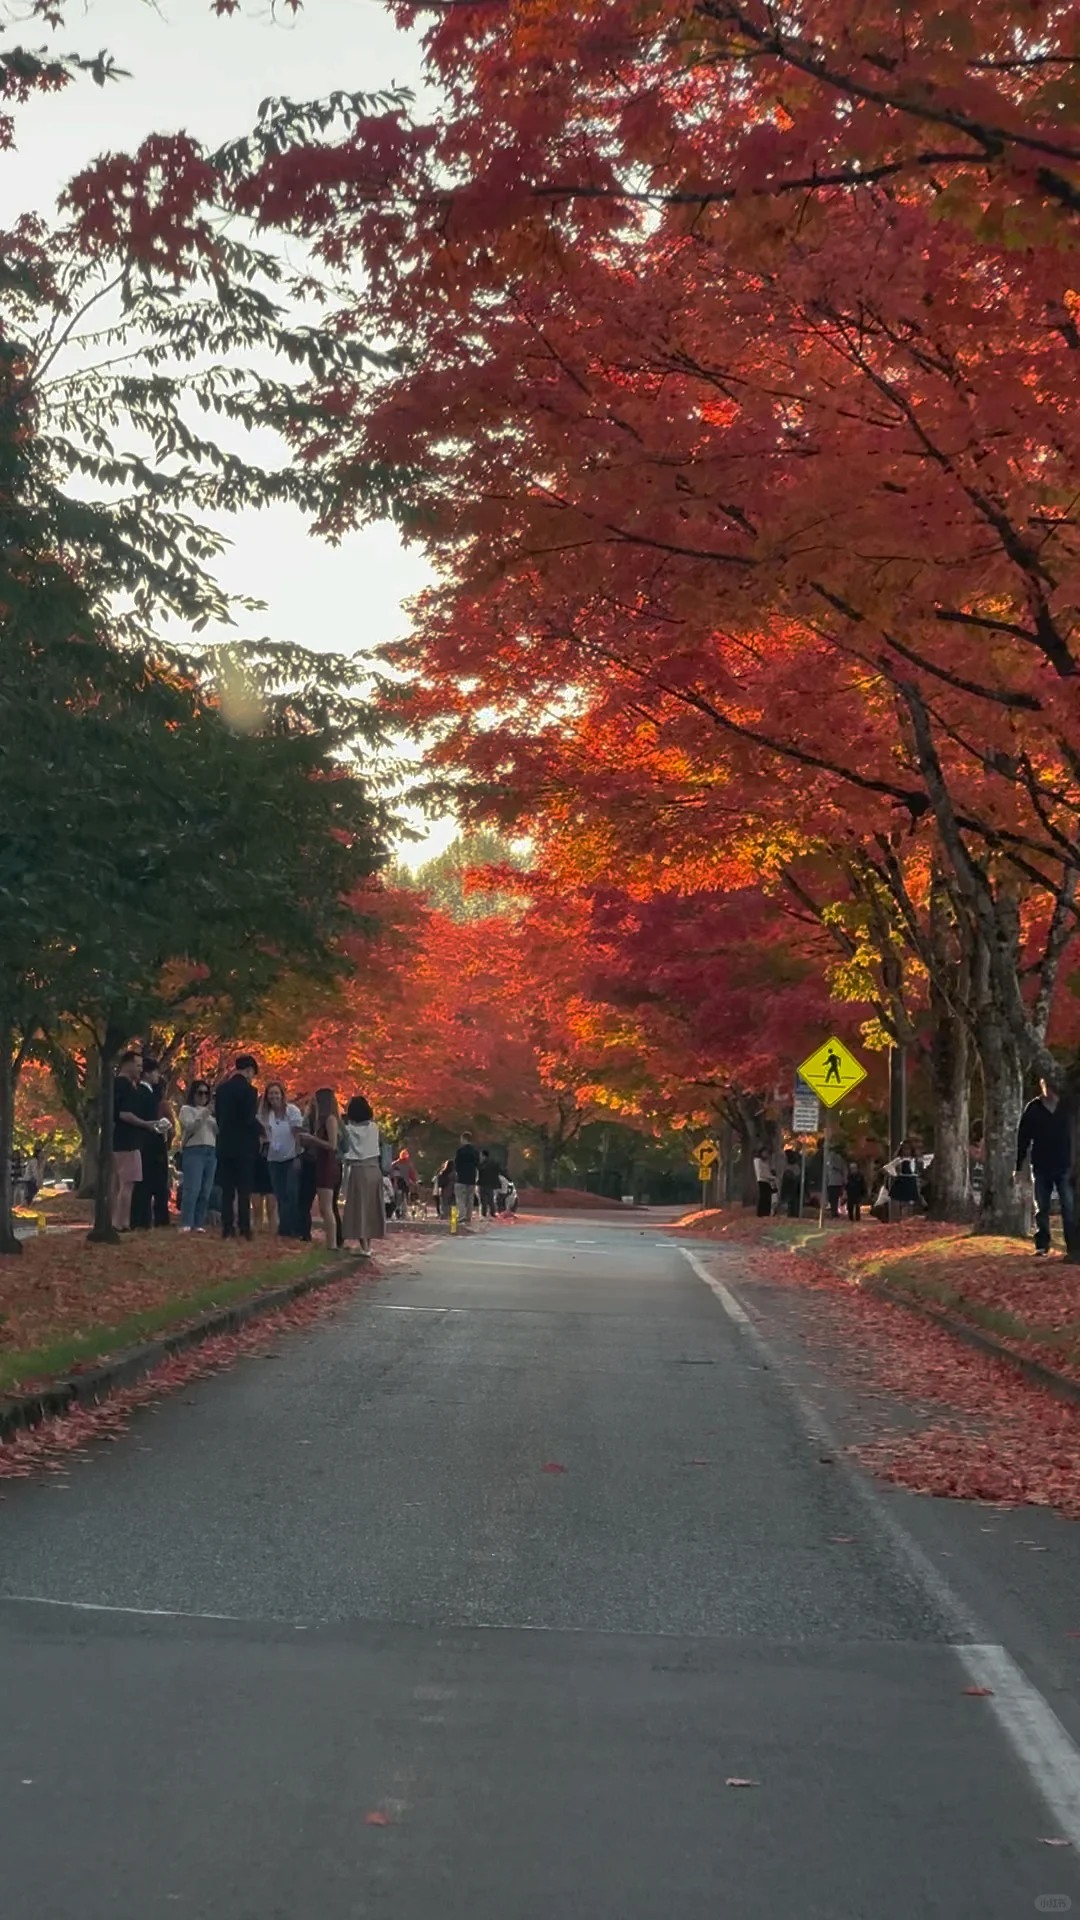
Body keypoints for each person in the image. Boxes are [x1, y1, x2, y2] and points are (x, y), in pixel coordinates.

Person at [1016, 1079, 1078, 1259]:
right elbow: (1023, 1137)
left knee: (1068, 1207)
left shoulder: (1068, 1107)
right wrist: (1018, 1165)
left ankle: (1072, 1246)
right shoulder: (1034, 1108)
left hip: (1065, 1163)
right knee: (1042, 1207)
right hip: (1042, 1165)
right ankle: (1042, 1245)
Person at [111, 1050, 167, 1231]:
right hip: (128, 1141)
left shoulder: (119, 1085)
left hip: (120, 1140)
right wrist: (147, 1124)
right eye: (138, 1065)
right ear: (127, 1064)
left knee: (119, 1184)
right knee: (128, 1184)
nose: (140, 1069)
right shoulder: (125, 1086)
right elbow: (125, 1114)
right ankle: (122, 1223)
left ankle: (115, 1220)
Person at [214, 1054, 260, 1240]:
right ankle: (244, 1227)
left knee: (227, 1190)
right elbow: (249, 1119)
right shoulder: (250, 1091)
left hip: (225, 1143)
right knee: (243, 1189)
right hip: (244, 1145)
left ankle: (227, 1227)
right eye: (252, 1073)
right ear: (248, 1070)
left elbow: (218, 1116)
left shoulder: (222, 1089)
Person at [130, 1058, 173, 1229]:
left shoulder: (151, 1094)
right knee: (146, 1183)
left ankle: (151, 1219)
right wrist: (158, 1125)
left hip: (153, 1143)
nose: (158, 1075)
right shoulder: (142, 1093)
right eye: (155, 1072)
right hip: (149, 1144)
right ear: (147, 1073)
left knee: (154, 1183)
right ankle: (143, 1220)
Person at [340, 1095, 386, 1254]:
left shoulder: (348, 1130)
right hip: (374, 1169)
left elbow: (346, 1150)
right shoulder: (374, 1127)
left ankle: (364, 1246)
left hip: (359, 1169)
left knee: (359, 1208)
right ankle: (368, 1244)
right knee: (371, 1207)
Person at [297, 1087, 340, 1249]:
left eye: (316, 1100)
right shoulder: (318, 1121)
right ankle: (331, 1243)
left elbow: (332, 1145)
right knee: (324, 1207)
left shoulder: (330, 1119)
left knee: (327, 1207)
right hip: (320, 1163)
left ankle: (332, 1244)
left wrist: (312, 1139)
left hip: (327, 1164)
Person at [258, 1081, 302, 1237]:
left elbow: (298, 1135)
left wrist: (298, 1156)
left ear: (282, 1095)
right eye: (271, 1094)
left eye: (276, 1093)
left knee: (291, 1193)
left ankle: (294, 1228)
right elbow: (263, 1135)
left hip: (290, 1157)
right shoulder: (265, 1115)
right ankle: (284, 1229)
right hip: (273, 1159)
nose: (274, 1096)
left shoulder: (292, 1111)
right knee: (280, 1194)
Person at [177, 1079, 217, 1232]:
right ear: (193, 1094)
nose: (203, 1097)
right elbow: (191, 1126)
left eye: (206, 1094)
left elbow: (218, 1132)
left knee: (205, 1189)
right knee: (192, 1188)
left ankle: (198, 1223)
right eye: (200, 1093)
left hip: (211, 1151)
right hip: (194, 1150)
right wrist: (205, 1113)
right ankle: (186, 1222)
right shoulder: (186, 1110)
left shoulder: (212, 1115)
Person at [453, 1130, 481, 1228]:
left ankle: (461, 1215)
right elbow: (478, 1164)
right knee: (470, 1199)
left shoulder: (460, 1151)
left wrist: (458, 1172)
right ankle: (468, 1217)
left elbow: (456, 1164)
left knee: (460, 1198)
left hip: (461, 1178)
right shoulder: (475, 1151)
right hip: (471, 1177)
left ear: (464, 1139)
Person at [389, 1145, 419, 1219]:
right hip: (399, 1184)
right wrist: (414, 1182)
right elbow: (412, 1175)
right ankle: (399, 1212)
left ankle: (401, 1212)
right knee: (400, 1199)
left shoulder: (398, 1164)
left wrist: (414, 1182)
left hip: (402, 1184)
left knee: (402, 1199)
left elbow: (412, 1174)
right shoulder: (398, 1164)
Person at [477, 1147, 503, 1219]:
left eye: (481, 1155)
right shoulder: (493, 1163)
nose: (480, 1157)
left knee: (483, 1200)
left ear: (484, 1156)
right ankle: (492, 1213)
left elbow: (480, 1171)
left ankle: (484, 1214)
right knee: (490, 1199)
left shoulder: (482, 1164)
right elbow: (499, 1171)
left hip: (483, 1184)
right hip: (490, 1184)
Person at [753, 1150, 777, 1218]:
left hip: (767, 1181)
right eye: (764, 1153)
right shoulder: (758, 1161)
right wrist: (772, 1177)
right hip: (762, 1180)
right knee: (763, 1197)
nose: (766, 1154)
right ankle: (762, 1213)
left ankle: (766, 1212)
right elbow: (761, 1173)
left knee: (767, 1197)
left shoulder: (765, 1162)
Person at [826, 1146, 848, 1220]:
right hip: (834, 1181)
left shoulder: (833, 1159)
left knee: (834, 1198)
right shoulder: (833, 1159)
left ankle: (834, 1212)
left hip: (834, 1182)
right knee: (834, 1198)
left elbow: (843, 1169)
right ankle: (834, 1212)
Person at [779, 1147, 801, 1218]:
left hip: (790, 1188)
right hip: (789, 1188)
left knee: (790, 1202)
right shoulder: (787, 1166)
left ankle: (791, 1214)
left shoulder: (792, 1167)